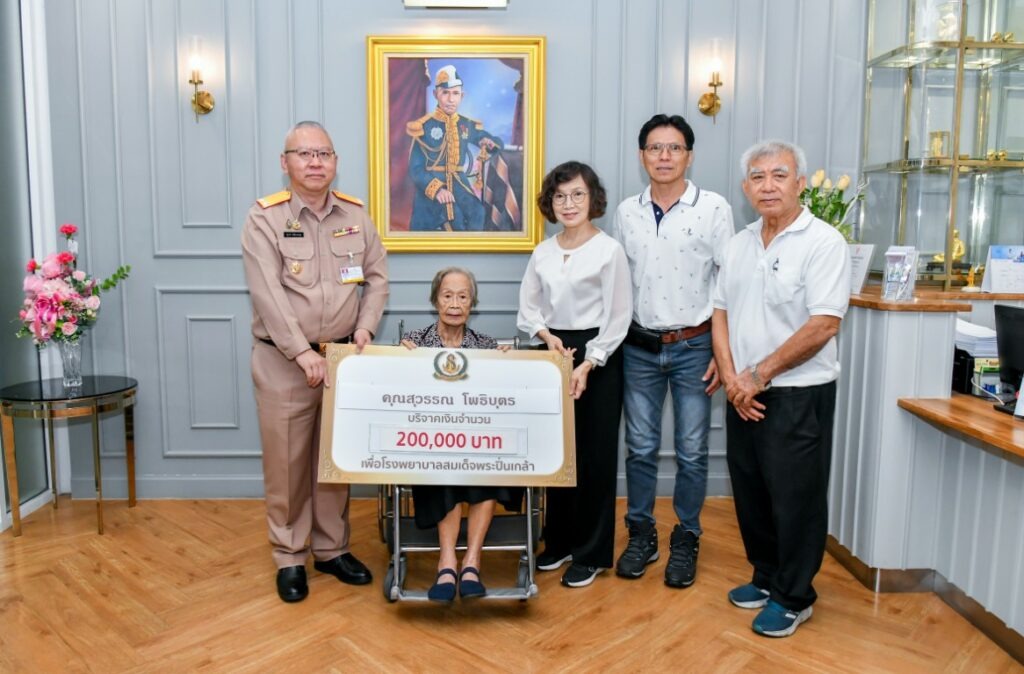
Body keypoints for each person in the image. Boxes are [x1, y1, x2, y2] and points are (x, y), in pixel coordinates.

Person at [241, 121, 389, 603]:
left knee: (333, 461)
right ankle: (289, 556)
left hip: (342, 359)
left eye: (323, 153)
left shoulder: (355, 215)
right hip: (284, 360)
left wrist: (365, 328)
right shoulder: (265, 218)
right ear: (284, 163)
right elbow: (267, 293)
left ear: (335, 162)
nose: (314, 162)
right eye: (304, 154)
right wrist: (302, 352)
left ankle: (331, 549)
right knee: (287, 465)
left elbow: (376, 277)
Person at [711, 140, 850, 637]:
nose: (767, 186)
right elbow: (720, 312)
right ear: (745, 187)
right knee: (751, 492)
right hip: (742, 391)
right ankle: (767, 577)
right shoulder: (739, 243)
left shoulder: (824, 242)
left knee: (796, 499)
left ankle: (794, 596)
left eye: (779, 175)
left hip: (797, 393)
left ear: (800, 183)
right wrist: (733, 378)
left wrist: (758, 375)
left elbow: (824, 324)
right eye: (757, 176)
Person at [611, 114, 734, 588]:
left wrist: (722, 354)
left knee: (692, 451)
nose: (664, 156)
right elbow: (619, 283)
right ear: (641, 155)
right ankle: (641, 533)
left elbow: (727, 284)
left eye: (674, 148)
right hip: (639, 347)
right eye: (655, 148)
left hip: (694, 346)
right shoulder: (627, 212)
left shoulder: (714, 208)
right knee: (640, 447)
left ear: (689, 155)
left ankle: (687, 535)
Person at [517, 161, 632, 588]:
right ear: (551, 203)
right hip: (552, 351)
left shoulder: (609, 251)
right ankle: (560, 541)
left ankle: (592, 552)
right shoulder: (543, 252)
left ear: (592, 199)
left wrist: (588, 362)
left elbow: (618, 316)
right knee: (556, 452)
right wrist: (547, 338)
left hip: (598, 355)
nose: (568, 203)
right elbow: (529, 309)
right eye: (560, 196)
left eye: (577, 194)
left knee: (594, 456)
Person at [399, 267, 519, 602]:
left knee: (488, 465)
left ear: (472, 303)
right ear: (435, 300)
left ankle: (472, 562)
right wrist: (400, 362)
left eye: (463, 296)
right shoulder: (414, 344)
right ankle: (447, 561)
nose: (455, 304)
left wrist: (507, 365)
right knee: (444, 466)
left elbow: (501, 400)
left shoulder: (486, 346)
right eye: (447, 295)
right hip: (430, 443)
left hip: (476, 441)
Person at [406, 65, 505, 232]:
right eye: (445, 93)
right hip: (431, 189)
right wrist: (437, 190)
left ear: (462, 96)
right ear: (435, 94)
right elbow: (415, 169)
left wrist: (488, 142)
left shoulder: (465, 124)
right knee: (452, 221)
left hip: (459, 184)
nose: (451, 99)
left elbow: (490, 140)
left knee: (478, 213)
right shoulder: (423, 127)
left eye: (455, 93)